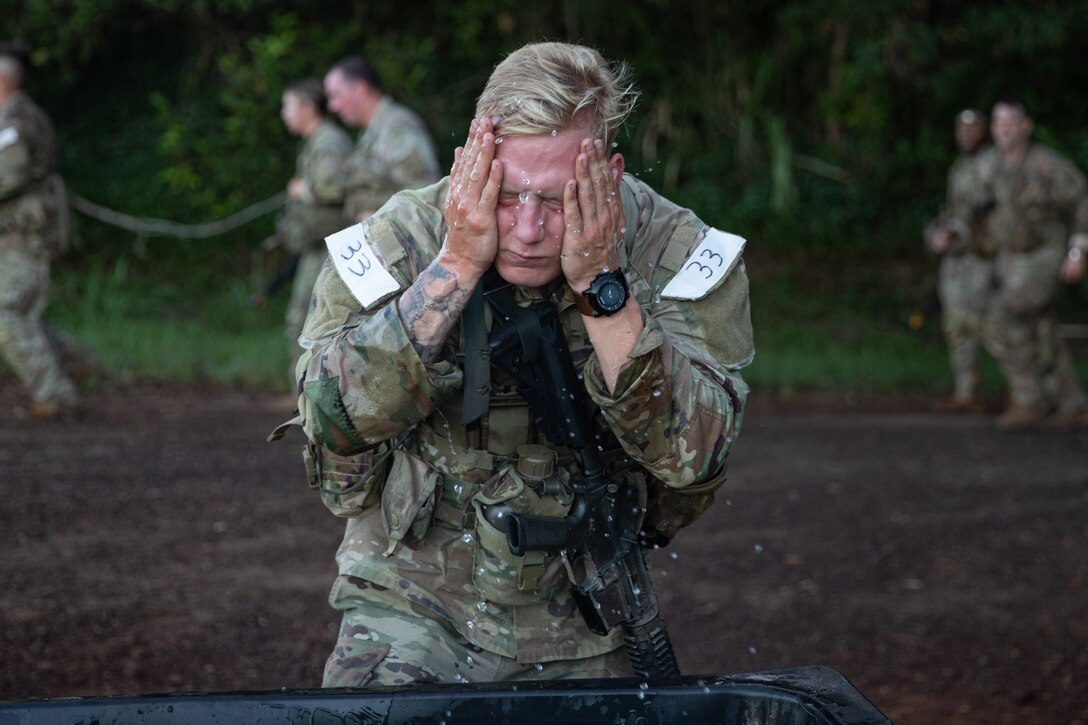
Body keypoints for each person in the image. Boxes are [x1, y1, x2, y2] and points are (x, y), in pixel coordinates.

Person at [291, 42, 753, 687]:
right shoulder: (403, 236)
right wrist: (453, 267)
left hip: (588, 595)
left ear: (609, 177)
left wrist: (601, 285)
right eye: (506, 194)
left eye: (560, 201)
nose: (529, 229)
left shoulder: (678, 256)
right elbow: (329, 418)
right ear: (468, 167)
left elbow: (697, 455)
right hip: (410, 587)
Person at [978, 100, 1088, 429]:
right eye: (998, 123)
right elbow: (971, 208)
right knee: (1041, 330)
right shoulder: (989, 166)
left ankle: (1029, 398)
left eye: (1010, 122)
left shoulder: (1047, 165)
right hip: (1010, 259)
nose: (1003, 129)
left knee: (1000, 317)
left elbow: (1083, 202)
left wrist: (1079, 251)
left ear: (1027, 126)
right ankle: (1072, 403)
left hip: (1044, 254)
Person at [0, 42, 81, 421]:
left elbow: (9, 176)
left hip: (25, 237)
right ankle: (75, 359)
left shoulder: (16, 122)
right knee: (20, 314)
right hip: (20, 235)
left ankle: (56, 393)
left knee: (6, 314)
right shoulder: (17, 116)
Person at [256, 79, 352, 382]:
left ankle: (309, 396)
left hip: (329, 247)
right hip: (317, 245)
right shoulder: (317, 141)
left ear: (308, 108)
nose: (284, 114)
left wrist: (304, 190)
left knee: (307, 321)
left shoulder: (328, 142)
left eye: (288, 106)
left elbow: (337, 188)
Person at [924, 109, 996, 413]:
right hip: (958, 261)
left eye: (973, 129)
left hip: (985, 258)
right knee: (956, 326)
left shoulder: (995, 165)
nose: (966, 135)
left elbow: (993, 214)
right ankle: (967, 392)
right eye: (961, 130)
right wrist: (938, 234)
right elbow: (954, 212)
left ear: (984, 131)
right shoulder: (958, 169)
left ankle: (1031, 394)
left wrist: (960, 231)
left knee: (994, 328)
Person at [322, 56, 440, 225]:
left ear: (360, 89)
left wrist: (383, 218)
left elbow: (424, 192)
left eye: (336, 96)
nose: (333, 106)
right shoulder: (369, 134)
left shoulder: (396, 127)